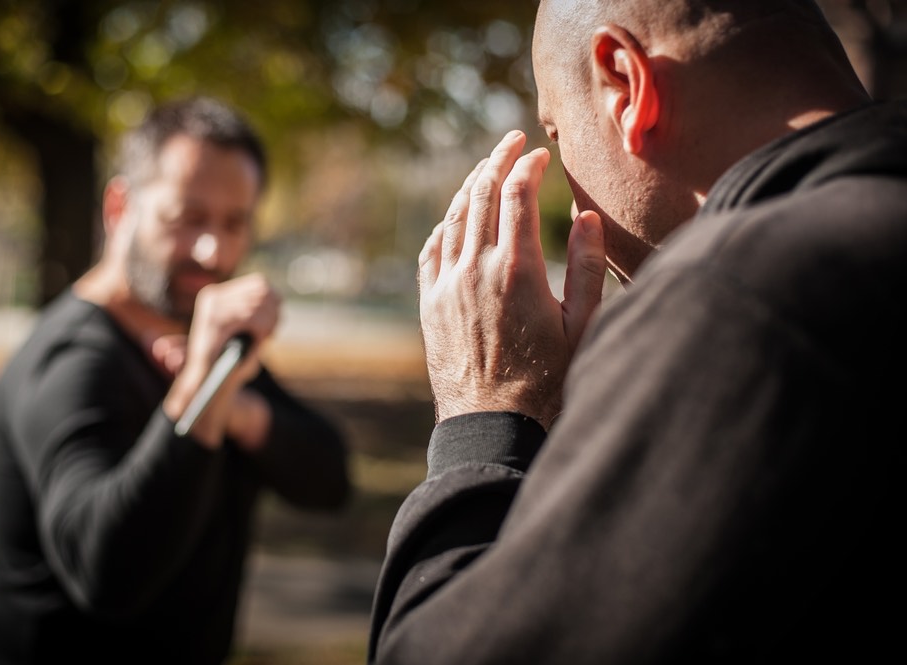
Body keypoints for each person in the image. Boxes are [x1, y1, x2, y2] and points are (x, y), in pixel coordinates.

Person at [369, 1, 906, 663]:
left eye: (557, 132)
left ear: (624, 83)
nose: (569, 185)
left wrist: (484, 409)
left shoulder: (744, 301)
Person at [0, 96, 351, 665]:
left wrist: (239, 410)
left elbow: (329, 479)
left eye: (235, 222)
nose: (214, 249)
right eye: (187, 219)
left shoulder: (200, 338)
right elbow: (107, 575)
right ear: (119, 207)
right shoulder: (70, 360)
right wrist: (202, 392)